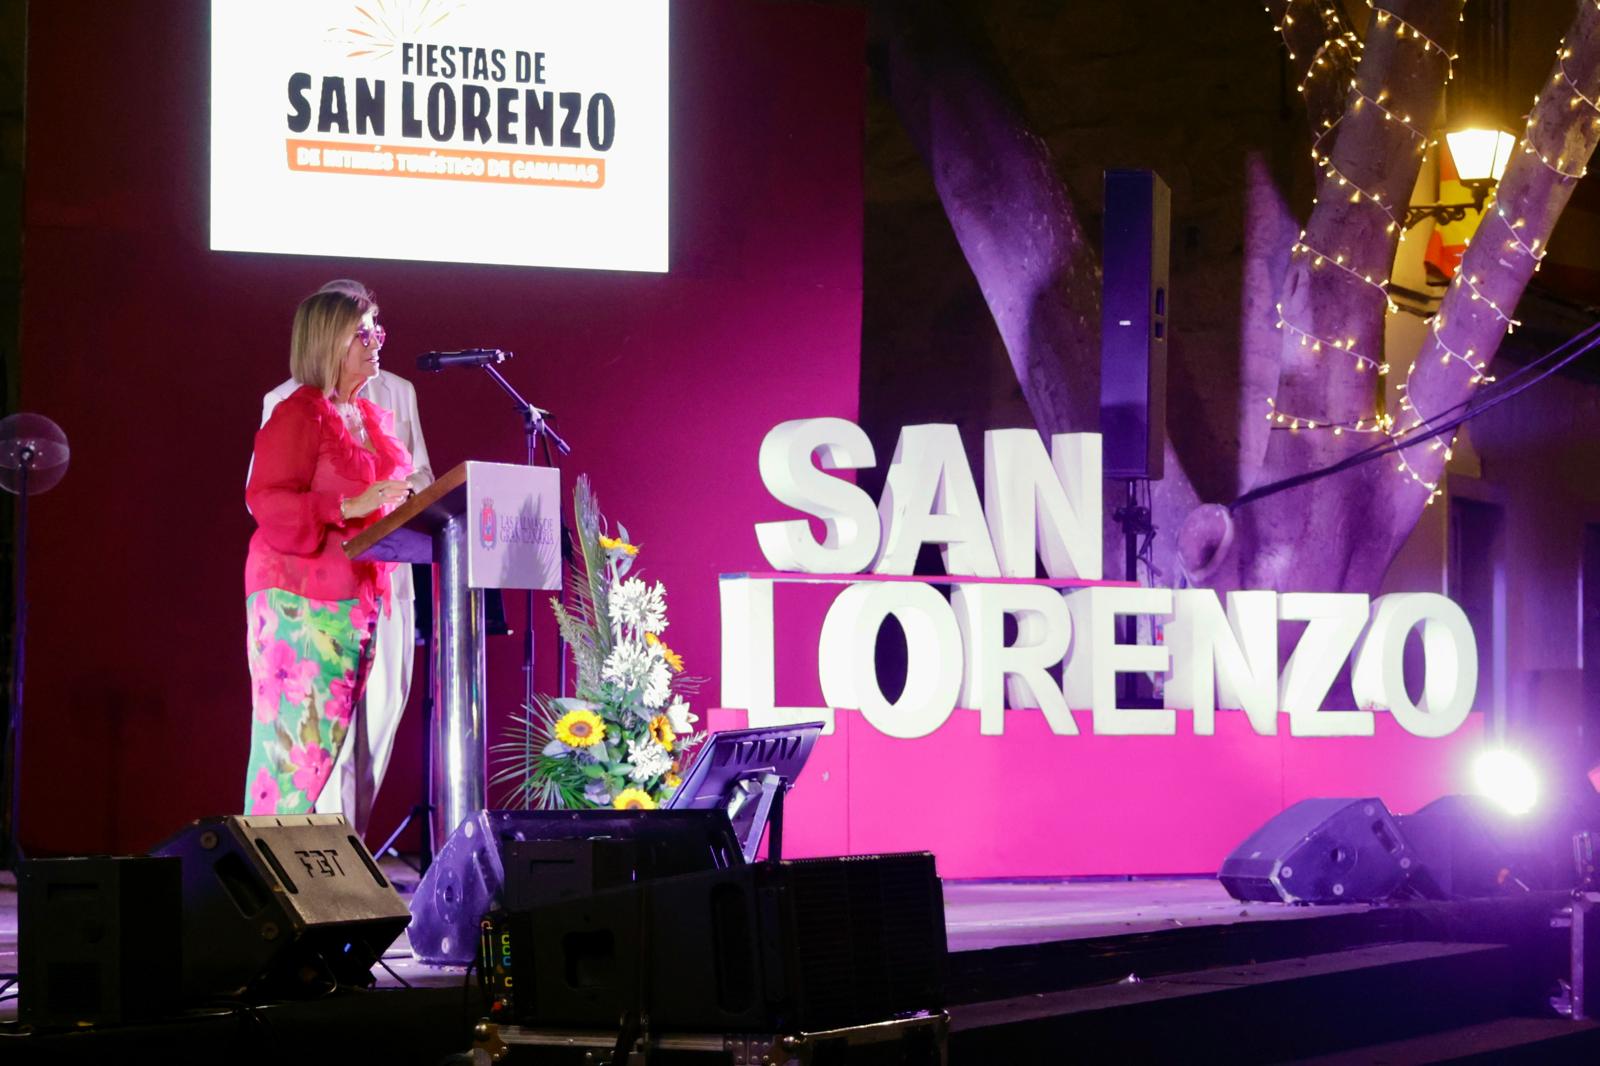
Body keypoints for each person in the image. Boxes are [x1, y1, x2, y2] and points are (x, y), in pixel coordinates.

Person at [255, 280, 435, 835]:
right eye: (362, 333)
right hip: (308, 601)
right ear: (328, 340)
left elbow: (415, 479)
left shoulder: (375, 413)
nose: (376, 341)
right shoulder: (294, 409)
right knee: (305, 753)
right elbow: (266, 499)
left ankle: (341, 859)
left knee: (360, 744)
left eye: (377, 330)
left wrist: (407, 498)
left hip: (370, 592)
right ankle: (285, 867)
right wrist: (349, 504)